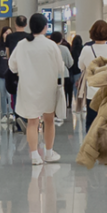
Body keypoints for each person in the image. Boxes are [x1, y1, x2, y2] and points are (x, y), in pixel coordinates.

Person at [9, 13, 69, 162]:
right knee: (49, 120)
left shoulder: (22, 44)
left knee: (32, 122)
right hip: (48, 87)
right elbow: (60, 67)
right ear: (45, 27)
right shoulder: (51, 45)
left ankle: (35, 155)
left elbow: (12, 66)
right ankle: (49, 153)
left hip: (28, 87)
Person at [81, 20, 107, 131]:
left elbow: (81, 66)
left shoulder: (87, 50)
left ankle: (90, 147)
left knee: (91, 123)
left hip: (92, 92)